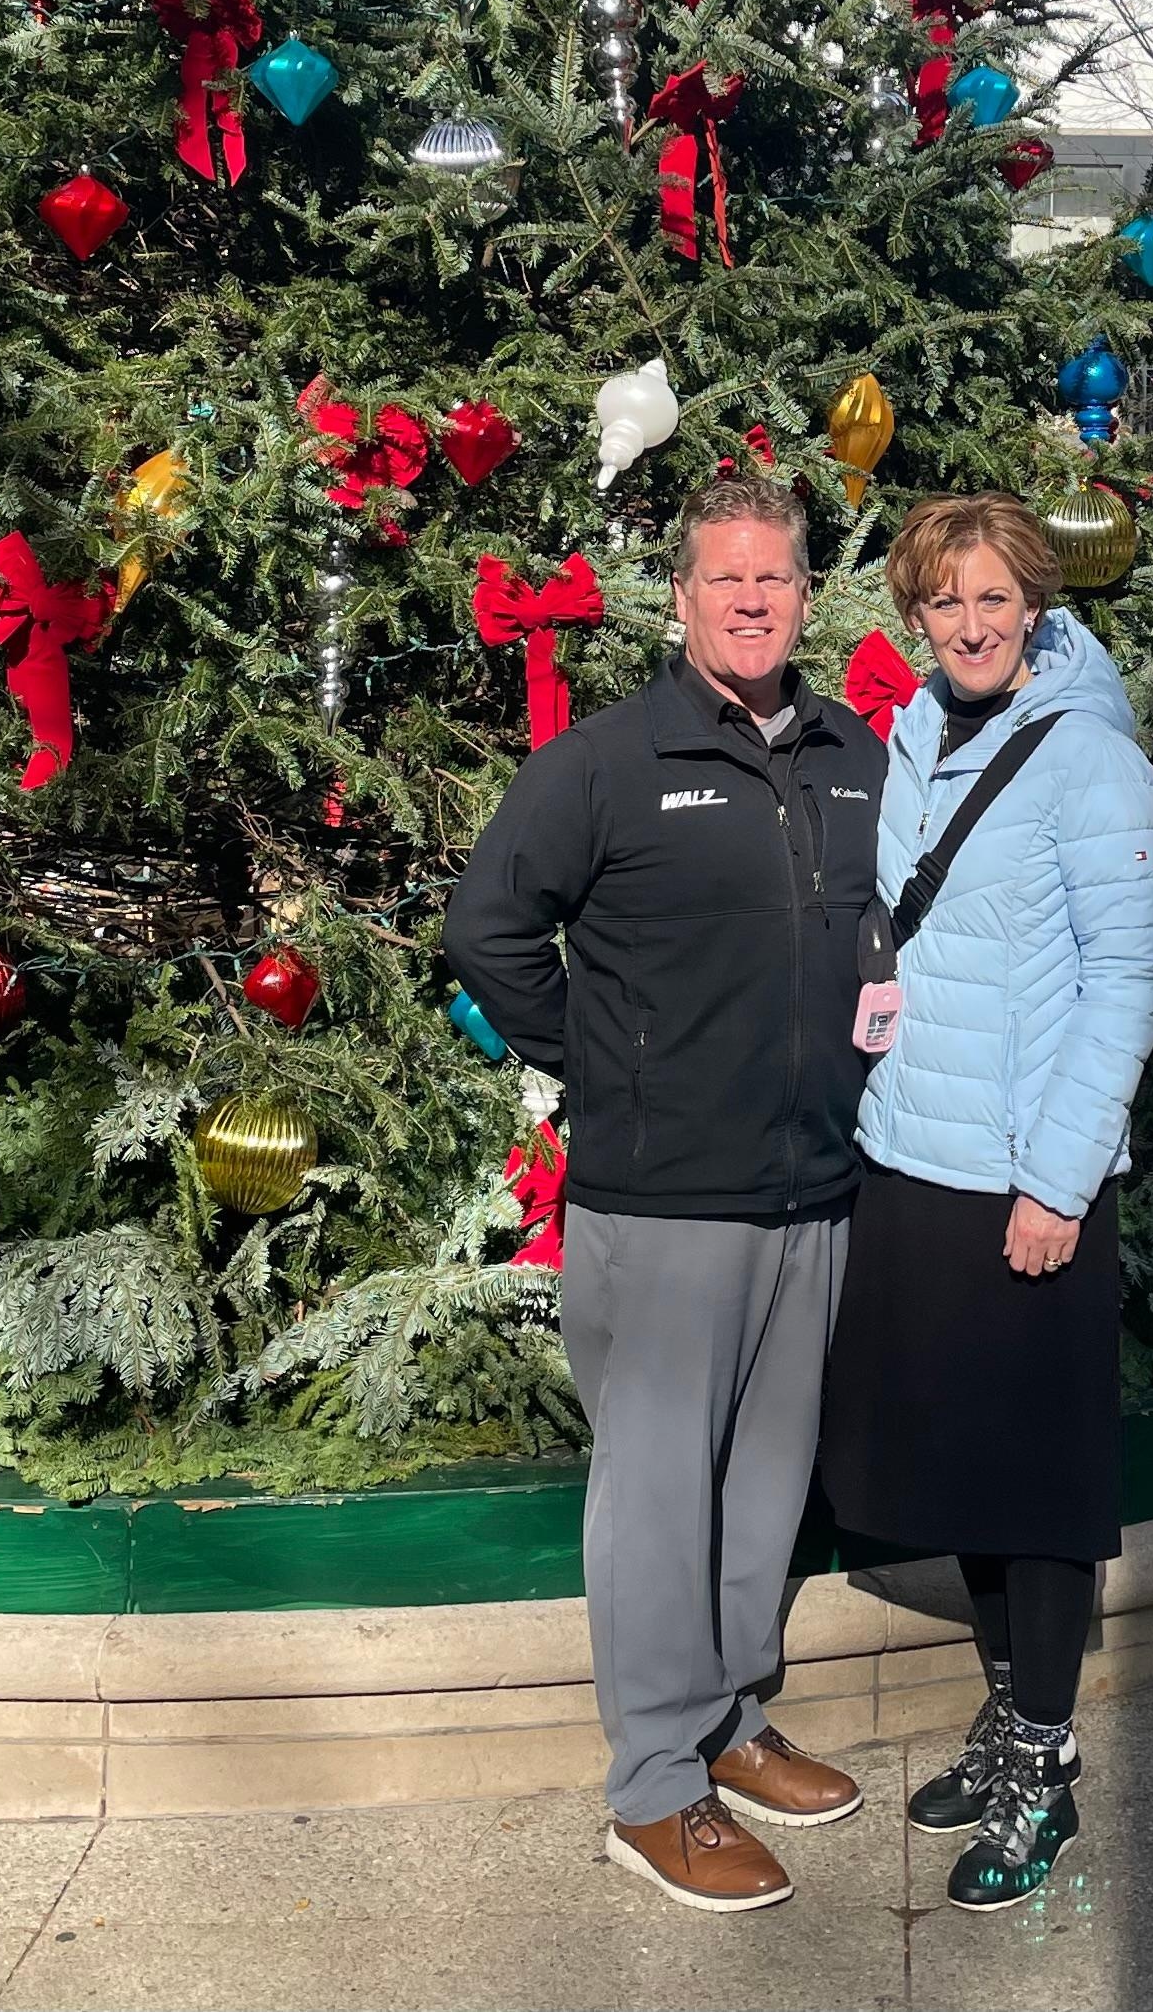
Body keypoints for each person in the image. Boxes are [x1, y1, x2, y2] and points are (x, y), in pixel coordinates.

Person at [443, 474, 884, 1916]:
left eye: (775, 579)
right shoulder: (610, 760)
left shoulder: (852, 754)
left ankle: (730, 1721)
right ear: (681, 598)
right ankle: (651, 1784)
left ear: (807, 595)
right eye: (724, 579)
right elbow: (489, 924)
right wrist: (603, 1060)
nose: (751, 600)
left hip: (814, 1187)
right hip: (663, 1201)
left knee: (765, 1483)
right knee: (654, 1490)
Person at [817, 493, 1153, 1914]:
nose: (967, 624)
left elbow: (1127, 977)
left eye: (991, 599)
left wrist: (1058, 1179)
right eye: (942, 603)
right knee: (964, 1466)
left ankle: (1047, 1753)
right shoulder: (912, 733)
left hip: (1029, 1180)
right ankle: (1012, 1714)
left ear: (1034, 603)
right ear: (915, 614)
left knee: (1036, 1495)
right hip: (916, 1159)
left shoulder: (1090, 755)